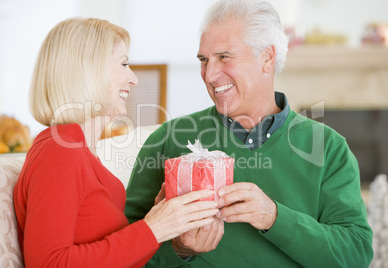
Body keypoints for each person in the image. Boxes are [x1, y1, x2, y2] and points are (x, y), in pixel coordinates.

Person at [124, 0, 374, 267]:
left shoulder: (328, 147)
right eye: (204, 60)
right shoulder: (168, 140)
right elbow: (120, 253)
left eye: (224, 57)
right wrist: (179, 249)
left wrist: (274, 218)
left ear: (266, 58)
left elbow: (355, 255)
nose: (209, 75)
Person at [13, 17, 220, 267]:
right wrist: (153, 229)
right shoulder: (60, 150)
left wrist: (158, 222)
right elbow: (48, 263)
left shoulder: (78, 150)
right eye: (123, 64)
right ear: (88, 70)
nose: (134, 79)